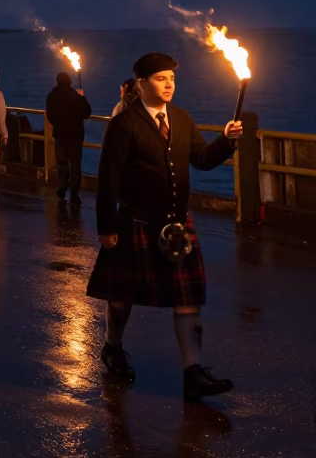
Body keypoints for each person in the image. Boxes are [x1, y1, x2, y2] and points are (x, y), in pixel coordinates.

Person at [87, 52, 241, 401]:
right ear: (141, 84)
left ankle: (193, 372)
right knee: (122, 297)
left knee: (188, 300)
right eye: (160, 78)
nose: (169, 83)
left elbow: (201, 161)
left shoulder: (183, 119)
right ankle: (112, 347)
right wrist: (106, 226)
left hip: (176, 226)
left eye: (171, 77)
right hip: (135, 221)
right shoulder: (124, 124)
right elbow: (108, 179)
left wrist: (226, 140)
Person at [46, 73, 93, 203]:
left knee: (62, 162)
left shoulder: (52, 96)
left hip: (60, 134)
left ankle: (62, 186)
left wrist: (59, 123)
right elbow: (87, 113)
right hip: (75, 135)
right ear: (70, 82)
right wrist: (83, 97)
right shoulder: (76, 96)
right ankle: (74, 193)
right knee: (75, 164)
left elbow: (50, 116)